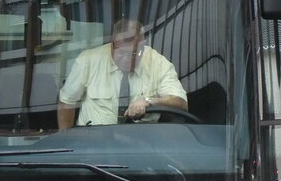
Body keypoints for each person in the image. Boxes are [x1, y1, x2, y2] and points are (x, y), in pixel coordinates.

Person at [57, 18, 187, 128]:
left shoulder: (158, 63)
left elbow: (180, 103)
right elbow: (67, 102)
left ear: (143, 45)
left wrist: (149, 101)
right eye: (122, 53)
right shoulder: (88, 61)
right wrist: (66, 139)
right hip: (95, 143)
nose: (127, 59)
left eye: (134, 54)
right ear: (112, 46)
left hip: (141, 143)